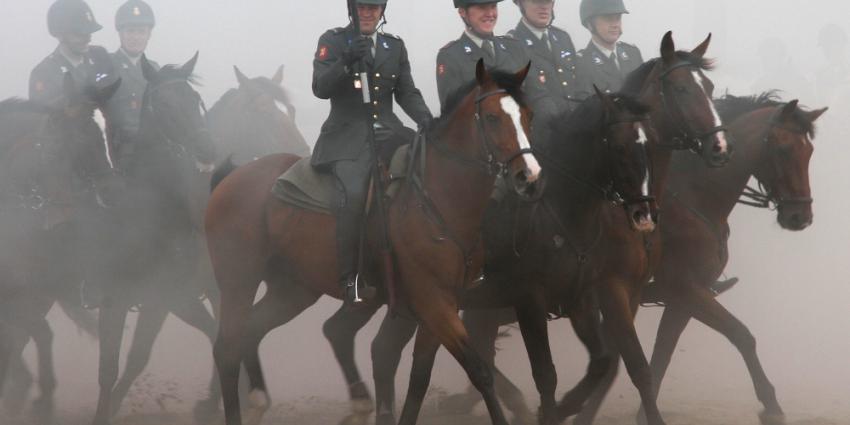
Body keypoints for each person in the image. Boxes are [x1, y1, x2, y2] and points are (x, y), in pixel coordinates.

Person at [311, 0, 433, 303]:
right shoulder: (334, 41)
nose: (368, 13)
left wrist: (429, 121)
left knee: (432, 173)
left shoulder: (395, 46)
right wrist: (347, 61)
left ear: (382, 11)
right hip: (348, 136)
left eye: (374, 7)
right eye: (362, 7)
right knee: (353, 195)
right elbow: (319, 87)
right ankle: (349, 279)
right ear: (351, 9)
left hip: (390, 131)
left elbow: (406, 92)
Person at [436, 0, 532, 111]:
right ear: (462, 12)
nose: (490, 14)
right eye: (482, 8)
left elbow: (532, 97)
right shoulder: (450, 56)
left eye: (493, 6)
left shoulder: (514, 47)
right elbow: (452, 114)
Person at [30, 0, 115, 107]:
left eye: (89, 32)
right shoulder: (44, 74)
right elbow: (44, 119)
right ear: (60, 35)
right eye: (79, 34)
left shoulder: (100, 56)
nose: (87, 39)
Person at [103, 0, 159, 156]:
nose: (136, 37)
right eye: (130, 31)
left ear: (149, 34)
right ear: (120, 33)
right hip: (118, 152)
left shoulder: (155, 70)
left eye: (141, 31)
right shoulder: (105, 66)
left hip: (153, 151)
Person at [507, 0, 580, 114]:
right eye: (537, 1)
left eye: (548, 2)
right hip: (543, 128)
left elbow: (578, 85)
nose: (544, 7)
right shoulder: (513, 45)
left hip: (577, 123)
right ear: (521, 4)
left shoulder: (562, 38)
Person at [574, 0, 643, 98]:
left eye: (618, 18)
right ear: (590, 24)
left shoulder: (633, 54)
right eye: (608, 19)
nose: (615, 25)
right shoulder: (582, 63)